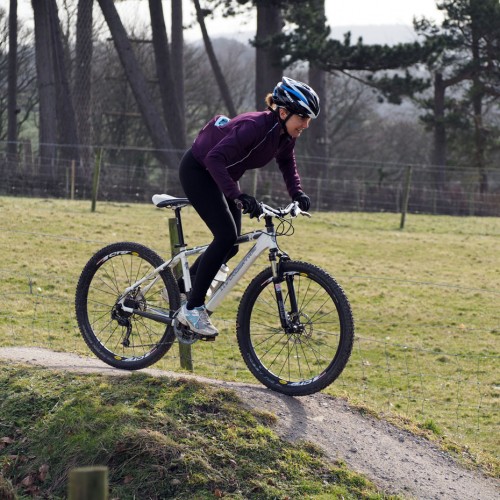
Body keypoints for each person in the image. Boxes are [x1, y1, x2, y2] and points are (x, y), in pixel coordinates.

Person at [176, 76, 320, 336]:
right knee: (225, 236)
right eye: (303, 118)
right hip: (199, 170)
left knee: (230, 245)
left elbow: (287, 164)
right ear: (284, 112)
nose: (306, 125)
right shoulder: (255, 126)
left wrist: (297, 193)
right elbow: (214, 158)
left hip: (222, 177)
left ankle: (180, 288)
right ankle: (192, 308)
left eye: (309, 119)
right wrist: (238, 196)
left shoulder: (285, 135)